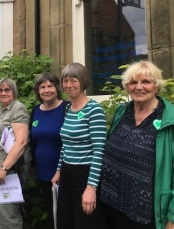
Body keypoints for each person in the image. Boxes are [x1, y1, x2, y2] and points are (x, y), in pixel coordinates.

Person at [99, 61, 174, 229]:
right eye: (133, 82)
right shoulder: (122, 112)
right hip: (113, 203)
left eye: (145, 81)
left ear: (156, 86)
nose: (139, 87)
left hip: (146, 213)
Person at [56, 63, 107, 229]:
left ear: (83, 81)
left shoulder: (94, 110)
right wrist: (58, 170)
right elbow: (66, 144)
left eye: (73, 81)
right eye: (65, 81)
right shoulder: (68, 109)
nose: (68, 85)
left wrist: (91, 188)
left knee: (84, 222)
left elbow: (99, 150)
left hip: (85, 174)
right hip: (67, 172)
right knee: (66, 220)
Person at [0, 77, 32, 229]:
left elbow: (21, 142)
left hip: (11, 169)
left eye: (7, 89)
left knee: (9, 214)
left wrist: (4, 168)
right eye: (0, 90)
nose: (3, 93)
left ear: (14, 91)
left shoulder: (17, 108)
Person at [29, 72, 68, 228]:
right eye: (42, 87)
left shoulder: (66, 108)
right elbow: (33, 140)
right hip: (42, 171)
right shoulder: (36, 110)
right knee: (52, 213)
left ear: (57, 88)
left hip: (63, 171)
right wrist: (32, 163)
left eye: (50, 86)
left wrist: (61, 169)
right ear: (38, 91)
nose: (46, 90)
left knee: (64, 214)